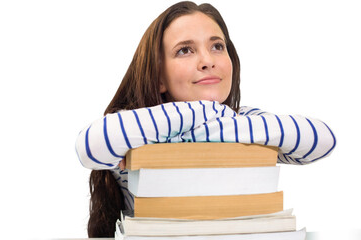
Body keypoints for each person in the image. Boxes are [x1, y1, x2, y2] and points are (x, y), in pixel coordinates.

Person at [75, 1, 336, 237]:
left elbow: (322, 139)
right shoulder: (137, 127)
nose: (207, 60)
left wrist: (221, 120)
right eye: (185, 50)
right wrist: (205, 113)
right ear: (159, 77)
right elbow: (90, 145)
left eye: (217, 46)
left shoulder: (240, 119)